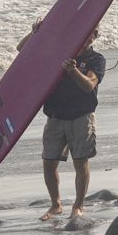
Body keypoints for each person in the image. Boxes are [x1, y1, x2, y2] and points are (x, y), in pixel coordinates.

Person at [21, 21, 104, 223]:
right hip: (55, 115)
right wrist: (35, 34)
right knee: (49, 162)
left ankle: (78, 207)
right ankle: (56, 205)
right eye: (90, 31)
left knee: (80, 162)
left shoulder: (95, 59)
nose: (92, 36)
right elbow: (22, 51)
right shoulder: (57, 52)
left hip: (81, 115)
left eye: (96, 33)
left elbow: (89, 86)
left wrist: (73, 71)